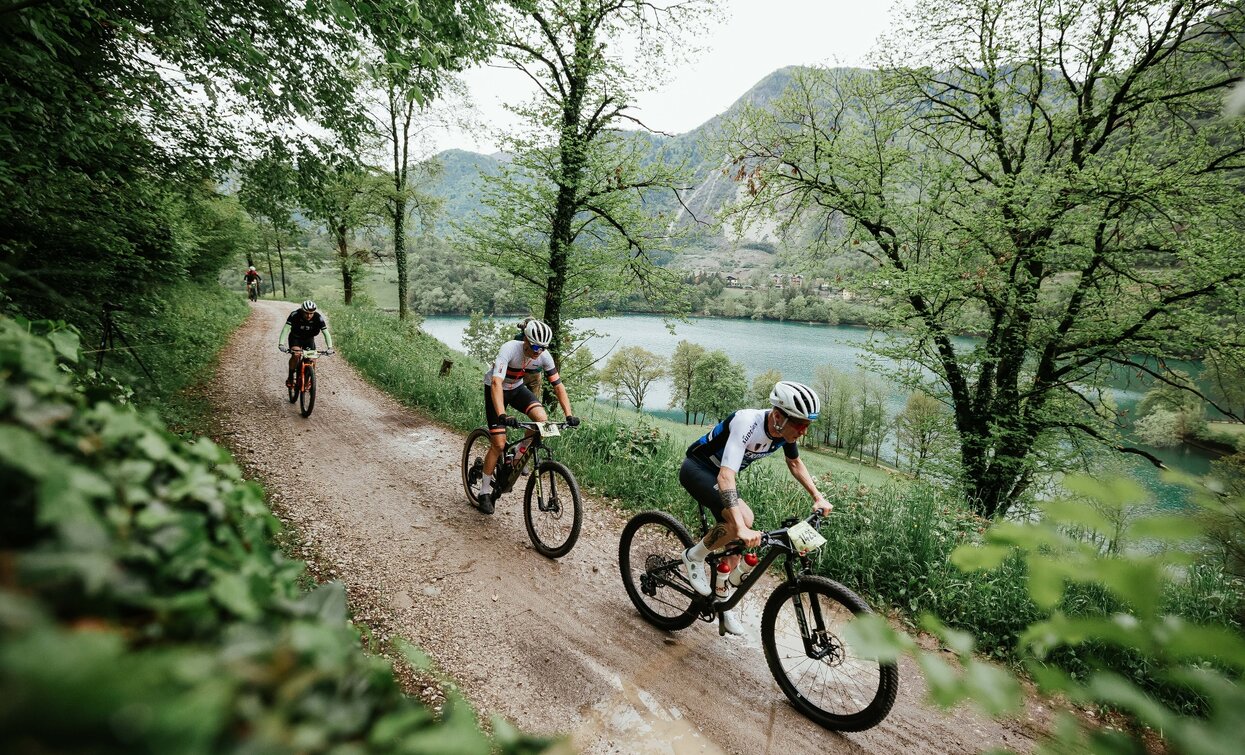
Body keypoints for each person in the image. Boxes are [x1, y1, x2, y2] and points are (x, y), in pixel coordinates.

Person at [679, 380, 833, 636]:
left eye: (807, 425)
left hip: (720, 477)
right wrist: (739, 526)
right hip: (698, 469)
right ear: (778, 416)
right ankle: (694, 556)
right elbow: (726, 477)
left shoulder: (784, 432)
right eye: (800, 424)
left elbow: (795, 463)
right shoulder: (747, 422)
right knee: (740, 522)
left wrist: (818, 496)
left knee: (740, 535)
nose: (804, 431)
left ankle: (722, 602)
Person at [477, 318, 579, 514]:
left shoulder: (544, 356)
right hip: (496, 390)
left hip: (516, 388)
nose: (538, 351)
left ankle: (517, 454)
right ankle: (484, 492)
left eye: (543, 347)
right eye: (535, 346)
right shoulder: (509, 349)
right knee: (498, 444)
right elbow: (497, 383)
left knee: (542, 421)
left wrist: (569, 415)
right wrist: (502, 414)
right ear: (525, 339)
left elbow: (558, 386)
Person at [278, 300, 333, 387]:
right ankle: (291, 376)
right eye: (306, 313)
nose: (309, 316)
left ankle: (307, 380)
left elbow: (326, 333)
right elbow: (285, 329)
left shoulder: (318, 317)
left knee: (312, 359)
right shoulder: (295, 315)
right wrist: (281, 344)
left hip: (308, 339)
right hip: (295, 337)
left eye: (311, 313)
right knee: (296, 354)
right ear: (302, 311)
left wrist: (330, 347)